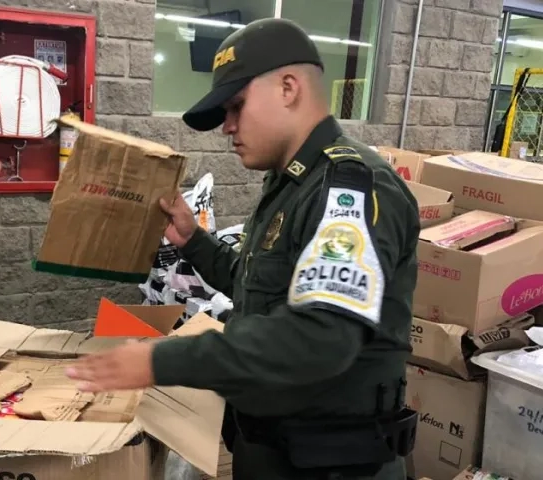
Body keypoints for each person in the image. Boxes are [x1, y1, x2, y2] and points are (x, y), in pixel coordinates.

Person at [65, 17, 420, 480]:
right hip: (271, 452)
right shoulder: (291, 183)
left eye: (236, 106)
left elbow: (317, 339)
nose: (227, 127)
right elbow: (260, 287)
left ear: (289, 87)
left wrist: (157, 361)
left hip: (332, 464)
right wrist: (193, 241)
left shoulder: (348, 190)